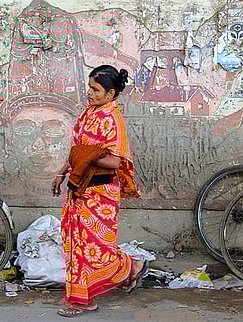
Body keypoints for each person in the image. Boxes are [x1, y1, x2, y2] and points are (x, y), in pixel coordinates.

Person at [51, 65, 144, 317]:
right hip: (79, 189)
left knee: (96, 249)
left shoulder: (113, 120)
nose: (89, 93)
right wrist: (62, 172)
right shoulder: (87, 114)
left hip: (100, 193)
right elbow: (76, 152)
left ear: (111, 93)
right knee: (77, 245)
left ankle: (87, 298)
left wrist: (88, 156)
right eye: (90, 88)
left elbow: (116, 161)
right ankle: (131, 268)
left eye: (95, 89)